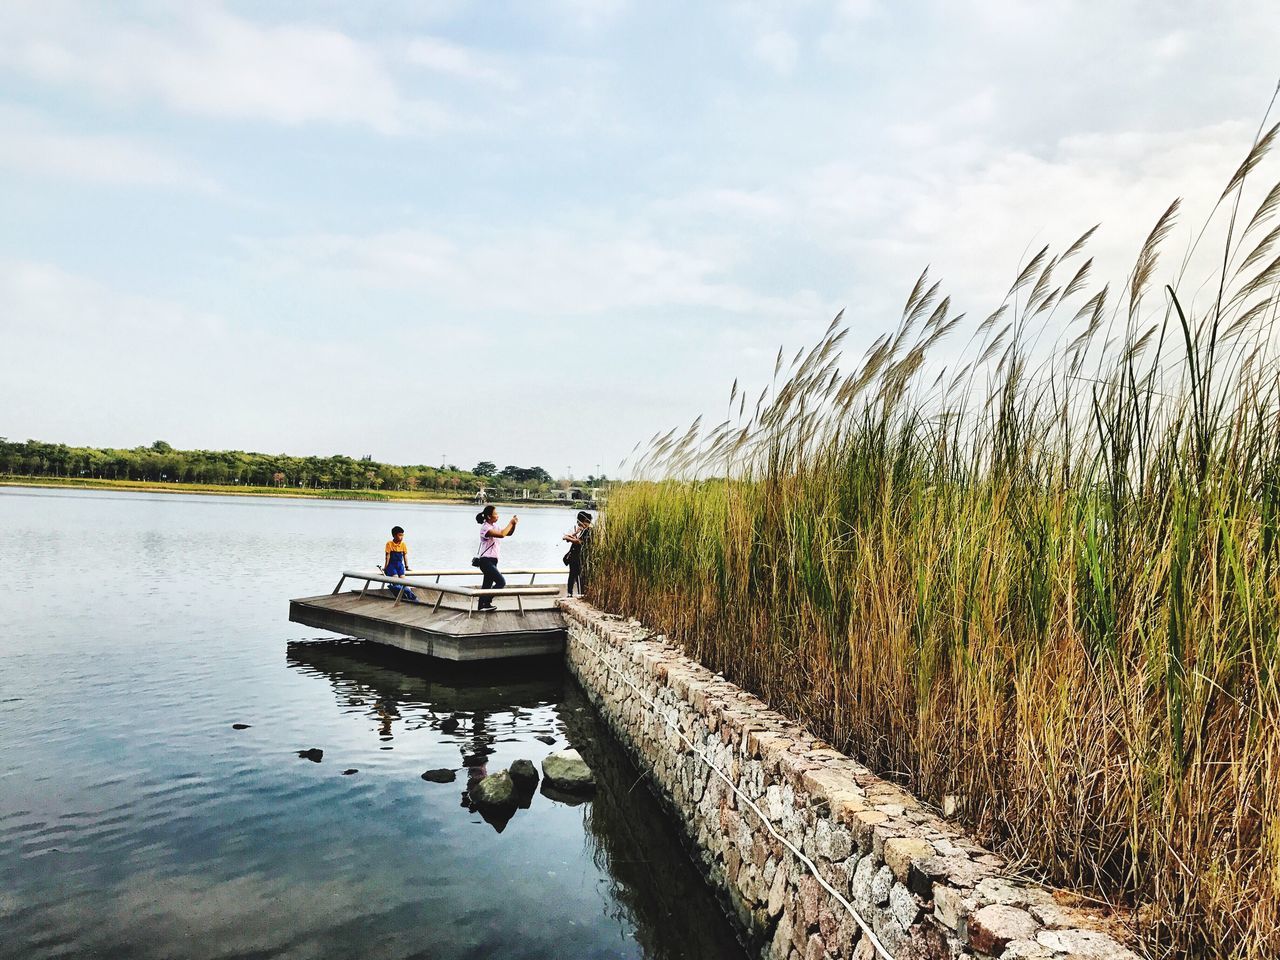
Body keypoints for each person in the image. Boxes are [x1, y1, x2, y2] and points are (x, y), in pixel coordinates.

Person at [474, 506, 517, 611]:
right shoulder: (485, 528)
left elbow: (508, 533)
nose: (497, 515)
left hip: (493, 560)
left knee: (487, 585)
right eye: (495, 513)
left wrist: (514, 525)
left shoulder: (494, 526)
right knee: (501, 582)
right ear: (489, 516)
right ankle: (486, 602)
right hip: (486, 561)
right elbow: (502, 535)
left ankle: (482, 606)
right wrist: (510, 523)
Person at [562, 510, 593, 597]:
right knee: (572, 574)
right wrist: (574, 534)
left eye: (588, 522)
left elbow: (579, 542)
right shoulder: (577, 529)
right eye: (586, 522)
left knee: (580, 575)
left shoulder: (588, 531)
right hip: (574, 556)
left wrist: (570, 538)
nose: (587, 524)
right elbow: (567, 538)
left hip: (582, 556)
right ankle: (570, 593)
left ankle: (581, 593)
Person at [382, 525, 417, 602]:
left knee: (404, 583)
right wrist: (385, 567)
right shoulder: (389, 544)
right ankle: (403, 595)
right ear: (394, 535)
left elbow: (405, 556)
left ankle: (411, 597)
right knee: (396, 582)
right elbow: (387, 556)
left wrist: (407, 566)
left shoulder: (403, 544)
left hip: (400, 566)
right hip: (392, 565)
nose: (401, 537)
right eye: (400, 535)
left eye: (402, 535)